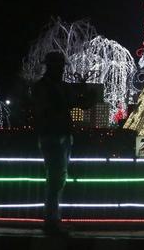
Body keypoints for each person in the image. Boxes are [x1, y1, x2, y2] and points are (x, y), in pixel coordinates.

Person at [32, 51, 94, 236]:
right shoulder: (44, 87)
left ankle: (53, 219)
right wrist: (79, 96)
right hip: (52, 136)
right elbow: (56, 106)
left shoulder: (54, 86)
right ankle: (51, 220)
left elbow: (80, 103)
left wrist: (85, 95)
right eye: (58, 66)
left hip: (60, 135)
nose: (60, 69)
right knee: (56, 178)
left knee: (58, 177)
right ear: (51, 67)